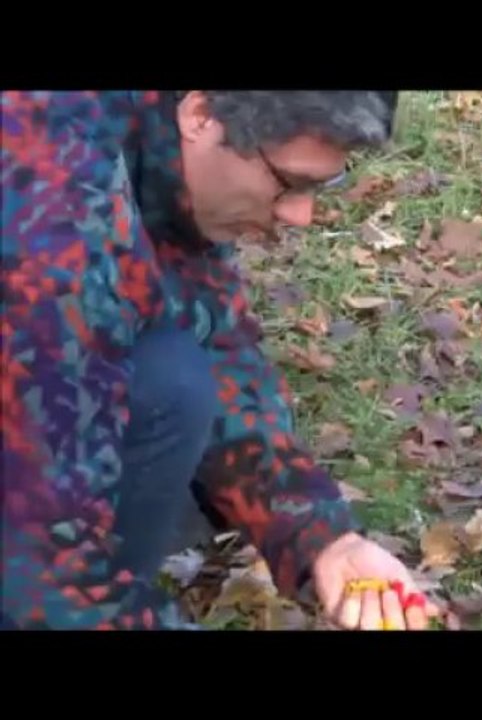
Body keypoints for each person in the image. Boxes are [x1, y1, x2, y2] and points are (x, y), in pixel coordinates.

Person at [1, 90, 439, 630]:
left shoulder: (161, 147)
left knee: (176, 380)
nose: (301, 216)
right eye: (290, 183)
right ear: (201, 114)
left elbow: (215, 340)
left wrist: (323, 538)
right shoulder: (49, 209)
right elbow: (38, 563)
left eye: (320, 187)